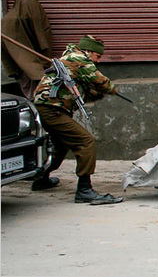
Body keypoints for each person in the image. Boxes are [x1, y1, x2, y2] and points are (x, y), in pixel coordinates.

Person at [33, 35, 123, 205]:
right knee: (85, 141)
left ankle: (41, 178)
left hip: (47, 108)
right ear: (89, 51)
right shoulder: (79, 59)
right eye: (97, 56)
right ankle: (84, 190)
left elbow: (79, 92)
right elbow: (100, 81)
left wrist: (97, 95)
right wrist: (111, 89)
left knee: (61, 146)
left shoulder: (69, 62)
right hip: (52, 109)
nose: (98, 61)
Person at [2, 0, 53, 100]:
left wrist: (43, 51)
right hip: (24, 54)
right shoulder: (21, 0)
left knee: (33, 86)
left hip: (30, 55)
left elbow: (38, 27)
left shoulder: (26, 1)